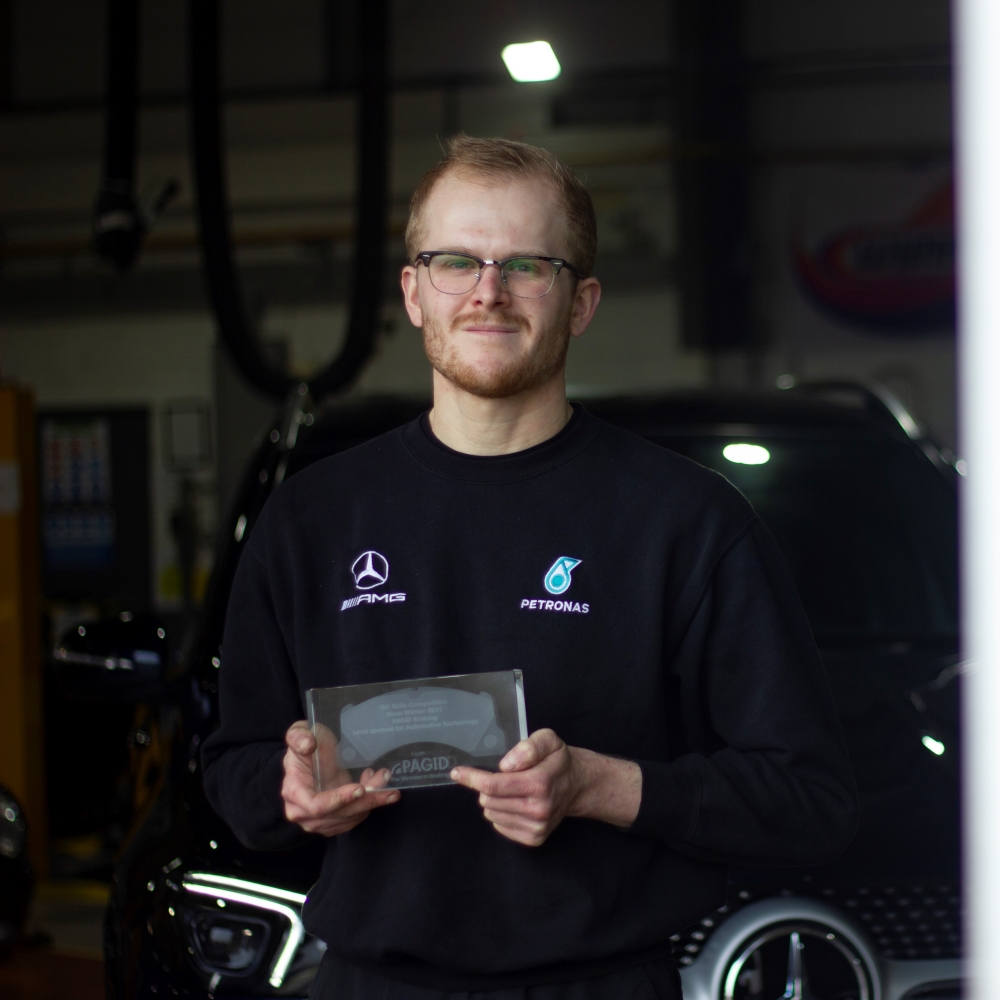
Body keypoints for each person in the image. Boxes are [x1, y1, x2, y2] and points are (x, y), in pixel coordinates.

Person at [202, 135, 858, 1000]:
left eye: (526, 265)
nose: (488, 291)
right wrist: (289, 787)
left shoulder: (686, 521)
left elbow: (811, 801)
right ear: (412, 292)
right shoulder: (312, 520)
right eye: (454, 262)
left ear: (581, 303)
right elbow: (234, 769)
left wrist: (603, 787)